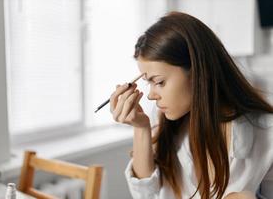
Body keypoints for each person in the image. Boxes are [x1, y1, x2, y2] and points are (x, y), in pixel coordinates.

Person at [109, 11, 273, 199]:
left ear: (199, 72)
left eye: (160, 82)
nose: (152, 95)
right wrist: (141, 127)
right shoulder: (163, 117)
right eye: (149, 82)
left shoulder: (267, 133)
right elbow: (144, 194)